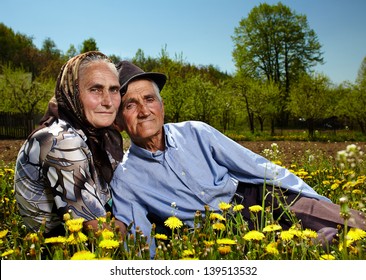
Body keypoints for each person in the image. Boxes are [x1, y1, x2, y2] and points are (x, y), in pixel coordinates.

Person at [111, 61, 366, 255]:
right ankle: (321, 239)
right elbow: (140, 238)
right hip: (221, 232)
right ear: (120, 121)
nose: (144, 111)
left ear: (162, 106)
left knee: (352, 222)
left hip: (258, 197)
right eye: (130, 105)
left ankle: (325, 229)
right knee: (286, 252)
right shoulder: (125, 179)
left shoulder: (196, 132)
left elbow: (257, 166)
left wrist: (312, 199)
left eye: (149, 99)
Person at [14, 51, 126, 238]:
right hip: (59, 253)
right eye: (95, 89)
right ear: (72, 93)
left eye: (114, 90)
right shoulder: (61, 141)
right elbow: (98, 231)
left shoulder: (95, 136)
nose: (108, 101)